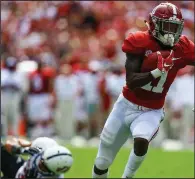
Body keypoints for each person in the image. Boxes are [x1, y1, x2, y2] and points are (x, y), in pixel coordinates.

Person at [92, 2, 194, 178]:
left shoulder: (182, 47)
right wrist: (156, 72)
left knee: (141, 139)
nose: (171, 32)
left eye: (175, 27)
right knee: (102, 161)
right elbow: (131, 81)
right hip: (126, 105)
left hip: (152, 109)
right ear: (155, 25)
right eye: (167, 26)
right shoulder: (139, 41)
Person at [1, 137, 73, 178]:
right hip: (19, 168)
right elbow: (10, 142)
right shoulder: (44, 144)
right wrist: (17, 148)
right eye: (42, 161)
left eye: (45, 168)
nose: (39, 165)